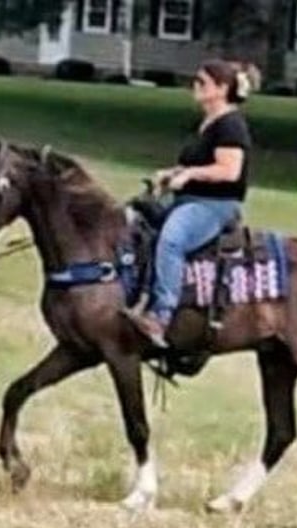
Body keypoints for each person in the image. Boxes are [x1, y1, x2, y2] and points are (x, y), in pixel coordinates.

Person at [125, 59, 253, 347]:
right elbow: (198, 163)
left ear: (221, 89)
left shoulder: (231, 125)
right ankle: (135, 294)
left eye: (201, 82)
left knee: (172, 239)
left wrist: (190, 174)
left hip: (215, 205)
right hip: (189, 198)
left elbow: (229, 171)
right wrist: (170, 173)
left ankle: (161, 315)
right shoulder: (208, 123)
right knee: (135, 220)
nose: (194, 86)